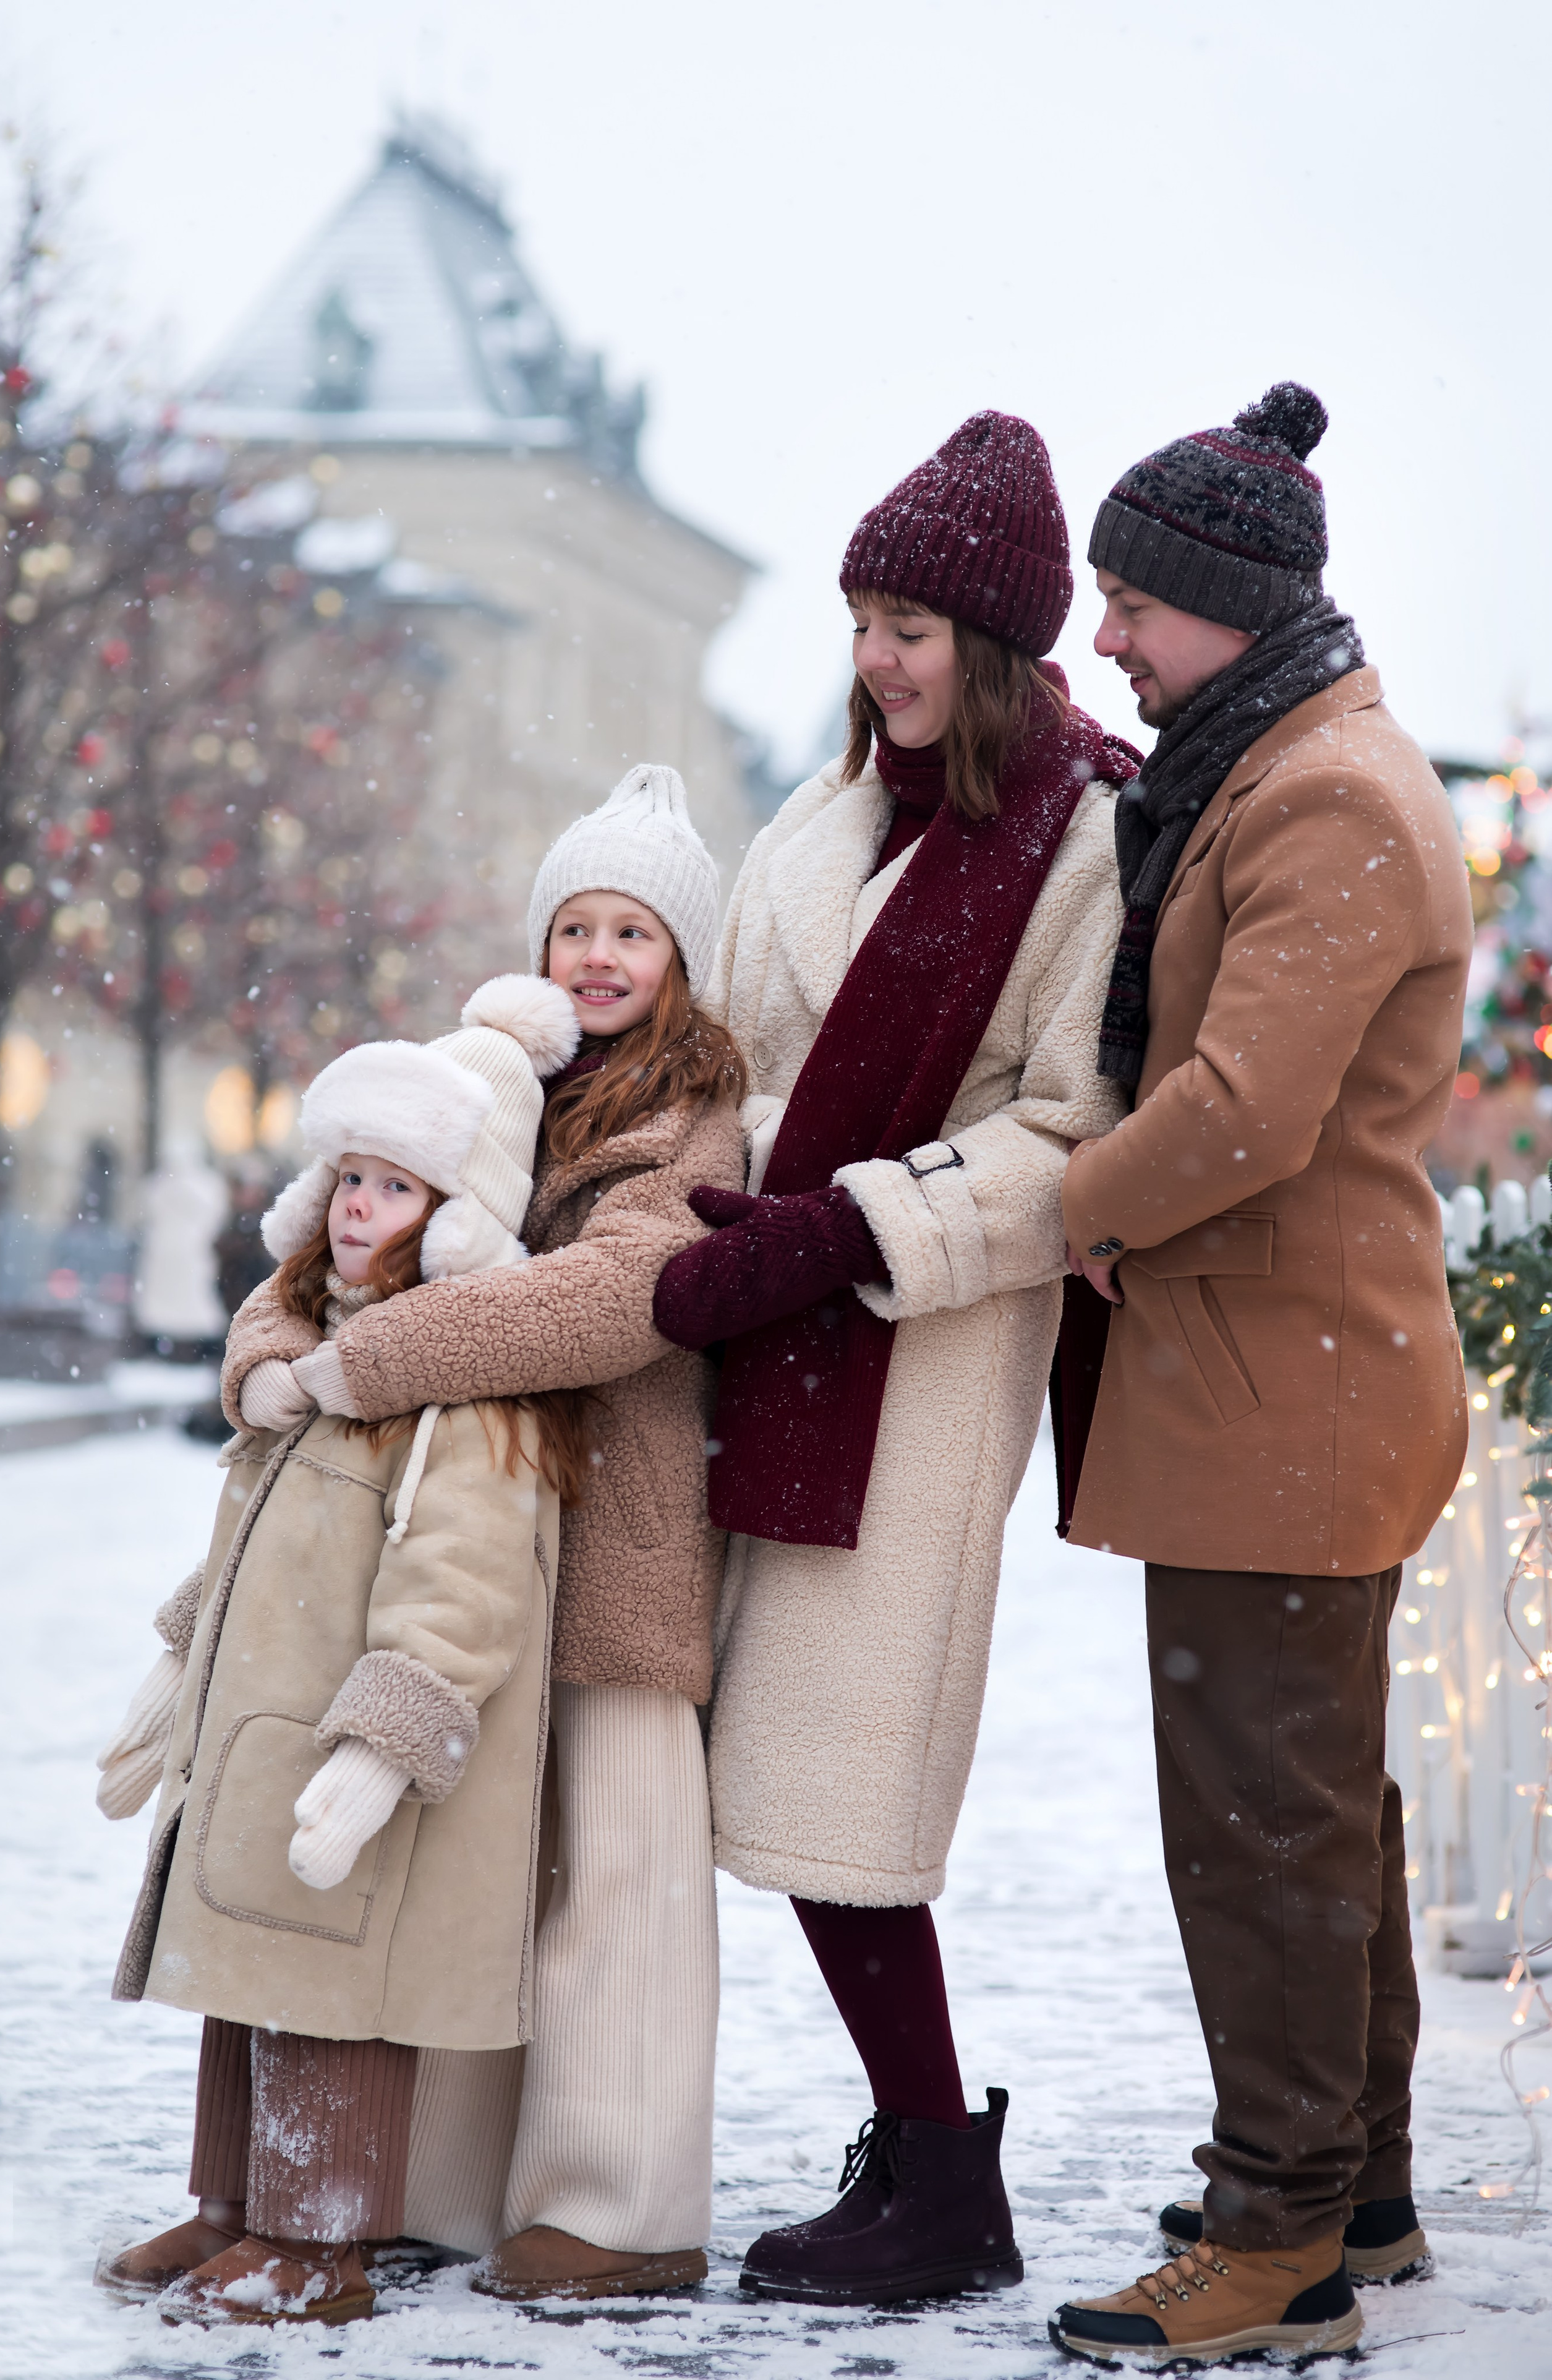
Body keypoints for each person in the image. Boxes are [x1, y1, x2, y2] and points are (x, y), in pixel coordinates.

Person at [651, 413, 1138, 2304]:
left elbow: (1073, 1131)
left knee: (846, 1786)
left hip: (915, 1350)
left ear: (997, 644)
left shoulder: (1082, 837)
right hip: (753, 1327)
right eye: (861, 621)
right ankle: (921, 2160)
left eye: (912, 628)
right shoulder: (826, 814)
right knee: (757, 1770)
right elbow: (728, 1057)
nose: (876, 659)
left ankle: (941, 2181)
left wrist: (847, 1227)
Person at [1048, 384, 1472, 2367]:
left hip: (1285, 1392)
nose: (1106, 638)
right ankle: (1355, 2188)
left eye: (1132, 602)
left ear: (1230, 602)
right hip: (1282, 1378)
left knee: (1260, 1833)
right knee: (1316, 1811)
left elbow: (1239, 1109)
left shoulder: (1325, 796)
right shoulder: (1280, 764)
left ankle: (1276, 2242)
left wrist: (1070, 1209)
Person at [217, 763, 747, 2300]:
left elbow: (617, 1298)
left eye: (631, 930)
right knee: (474, 1873)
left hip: (621, 1528)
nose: (596, 955)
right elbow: (342, 1219)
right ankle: (446, 2187)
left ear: (680, 956)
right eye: (573, 925)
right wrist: (269, 1351)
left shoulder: (696, 1117)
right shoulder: (487, 1078)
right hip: (468, 1525)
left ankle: (620, 2206)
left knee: (619, 1877)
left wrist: (368, 1360)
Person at [93, 975, 583, 2327]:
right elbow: (253, 1543)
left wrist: (381, 1750)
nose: (361, 1205)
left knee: (328, 1994)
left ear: (456, 1217)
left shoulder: (463, 1397)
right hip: (261, 1736)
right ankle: (233, 2205)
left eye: (398, 1186)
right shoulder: (322, 1366)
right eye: (351, 1178)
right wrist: (177, 1661)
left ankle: (320, 2240)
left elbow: (464, 1585)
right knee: (243, 1981)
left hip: (346, 1750)